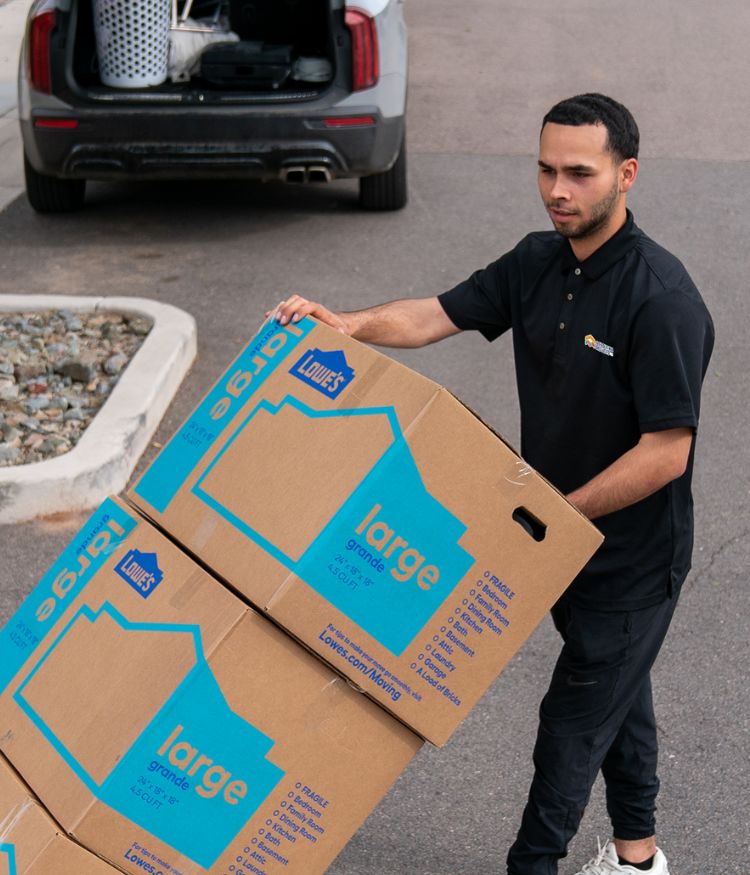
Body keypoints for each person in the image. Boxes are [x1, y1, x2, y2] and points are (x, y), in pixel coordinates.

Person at [270, 93, 714, 875]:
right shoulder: (538, 263)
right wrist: (347, 323)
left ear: (627, 174)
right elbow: (435, 314)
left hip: (630, 563)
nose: (557, 189)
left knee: (572, 724)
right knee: (617, 693)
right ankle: (639, 858)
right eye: (546, 169)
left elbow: (666, 451)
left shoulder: (661, 299)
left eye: (579, 173)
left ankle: (532, 864)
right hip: (553, 548)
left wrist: (555, 515)